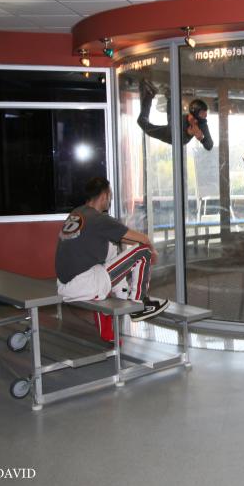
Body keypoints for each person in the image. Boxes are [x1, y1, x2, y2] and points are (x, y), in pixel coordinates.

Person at [55, 177, 169, 343]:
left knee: (111, 247)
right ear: (104, 196)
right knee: (143, 252)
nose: (110, 200)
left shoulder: (77, 213)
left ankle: (122, 296)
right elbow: (142, 239)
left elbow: (122, 238)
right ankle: (138, 304)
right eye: (110, 196)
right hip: (84, 284)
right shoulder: (99, 219)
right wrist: (152, 250)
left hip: (65, 284)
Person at [136, 78, 213, 150]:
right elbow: (172, 118)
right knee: (142, 122)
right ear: (194, 112)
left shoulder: (202, 124)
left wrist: (202, 139)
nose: (205, 116)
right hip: (172, 130)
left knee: (142, 122)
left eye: (205, 113)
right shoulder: (186, 117)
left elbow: (209, 145)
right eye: (202, 113)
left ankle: (154, 94)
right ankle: (151, 94)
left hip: (178, 137)